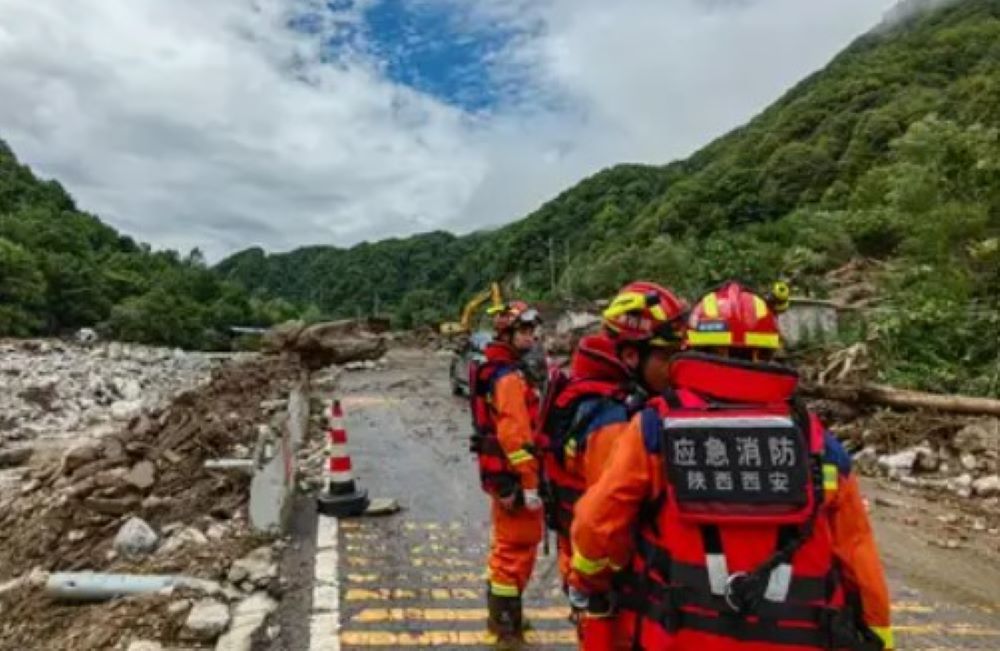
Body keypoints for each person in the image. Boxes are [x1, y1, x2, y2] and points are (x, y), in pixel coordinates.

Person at [570, 281, 893, 650]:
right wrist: (877, 633)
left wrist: (591, 582)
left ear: (692, 348)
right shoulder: (816, 443)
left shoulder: (654, 429)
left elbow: (597, 527)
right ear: (769, 354)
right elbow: (857, 553)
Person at [537, 282, 688, 648]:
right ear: (632, 356)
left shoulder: (594, 389)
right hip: (611, 588)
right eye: (667, 357)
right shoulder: (613, 419)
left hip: (588, 568)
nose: (677, 368)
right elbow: (606, 524)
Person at [469, 300, 545, 645]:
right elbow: (515, 435)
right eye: (526, 332)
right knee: (515, 549)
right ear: (509, 334)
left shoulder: (492, 367)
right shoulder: (508, 377)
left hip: (499, 474)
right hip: (513, 477)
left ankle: (505, 618)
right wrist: (529, 482)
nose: (532, 338)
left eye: (532, 331)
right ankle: (504, 629)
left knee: (507, 547)